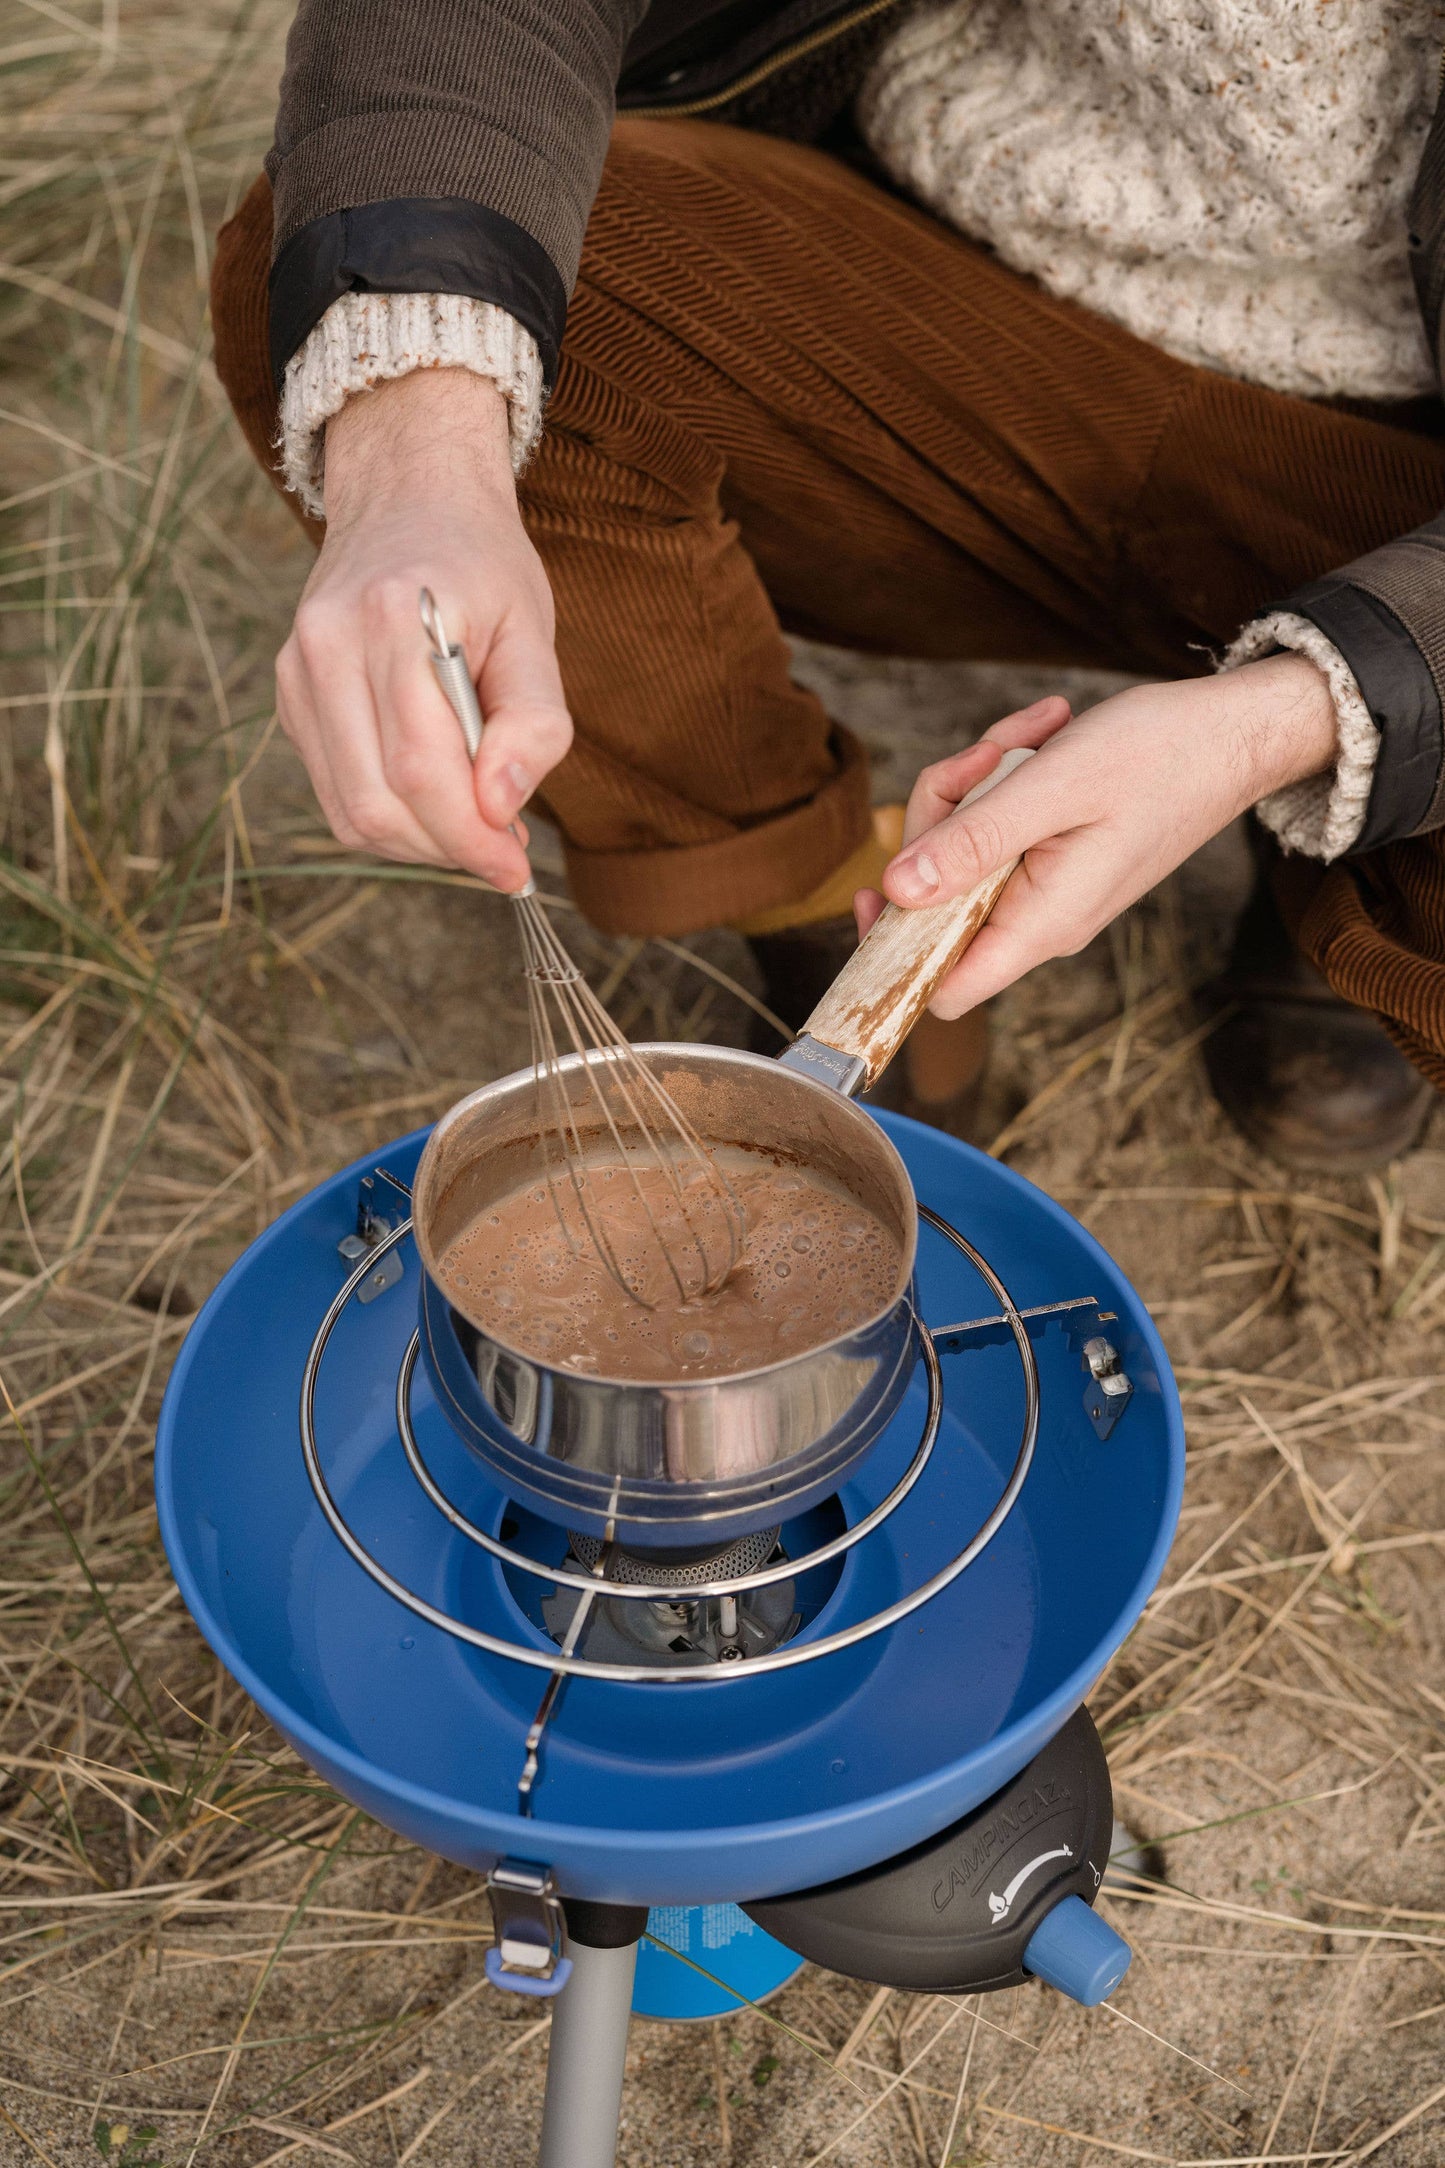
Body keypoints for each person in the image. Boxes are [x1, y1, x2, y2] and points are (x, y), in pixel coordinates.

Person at [213, 0, 1445, 1168]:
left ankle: (1334, 870)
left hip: (1407, 474)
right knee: (408, 312)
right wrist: (419, 462)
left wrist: (1293, 722)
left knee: (1411, 858)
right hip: (964, 306)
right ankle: (830, 929)